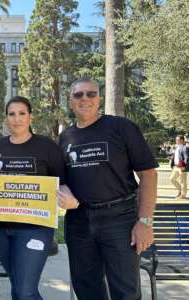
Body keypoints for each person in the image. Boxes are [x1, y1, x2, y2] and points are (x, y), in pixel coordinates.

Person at [58, 78, 158, 300]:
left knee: (125, 290)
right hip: (78, 221)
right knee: (86, 287)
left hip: (120, 219)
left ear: (99, 98)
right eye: (78, 95)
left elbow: (148, 174)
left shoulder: (121, 127)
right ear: (70, 101)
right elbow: (62, 181)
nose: (85, 99)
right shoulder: (65, 138)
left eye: (91, 94)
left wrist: (145, 222)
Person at [0, 96, 75, 300]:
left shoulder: (47, 147)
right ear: (6, 118)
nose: (17, 119)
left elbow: (62, 183)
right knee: (17, 282)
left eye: (22, 113)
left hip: (35, 227)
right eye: (11, 114)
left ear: (30, 117)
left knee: (25, 290)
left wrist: (70, 200)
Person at [170, 135, 188, 199]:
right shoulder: (177, 147)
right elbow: (176, 156)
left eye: (177, 140)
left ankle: (183, 195)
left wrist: (184, 167)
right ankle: (180, 190)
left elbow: (187, 158)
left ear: (182, 140)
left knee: (182, 181)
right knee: (172, 179)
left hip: (182, 167)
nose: (176, 141)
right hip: (176, 166)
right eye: (176, 140)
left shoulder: (184, 147)